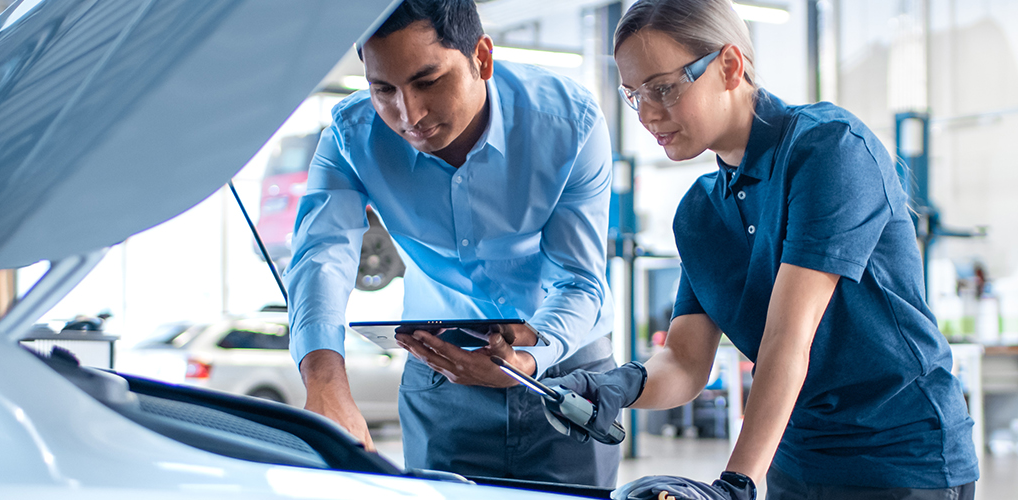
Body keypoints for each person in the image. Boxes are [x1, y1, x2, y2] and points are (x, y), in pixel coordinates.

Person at [546, 1, 978, 499]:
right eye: (633, 95)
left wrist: (735, 482)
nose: (646, 114)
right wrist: (619, 385)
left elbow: (788, 337)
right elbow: (686, 362)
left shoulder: (828, 149)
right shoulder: (700, 213)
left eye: (662, 88)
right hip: (795, 457)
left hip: (900, 458)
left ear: (729, 66)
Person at [284, 0, 620, 487]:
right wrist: (325, 380)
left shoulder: (571, 124)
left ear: (481, 57)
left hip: (566, 369)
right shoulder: (350, 136)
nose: (409, 115)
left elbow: (580, 280)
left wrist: (526, 361)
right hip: (439, 372)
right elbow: (320, 258)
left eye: (427, 81)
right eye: (383, 89)